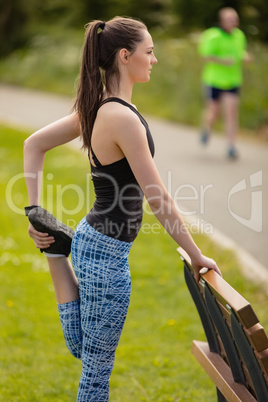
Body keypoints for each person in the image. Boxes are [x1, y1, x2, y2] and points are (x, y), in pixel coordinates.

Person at [24, 16, 221, 401]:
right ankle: (56, 252)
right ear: (125, 56)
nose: (154, 59)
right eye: (149, 52)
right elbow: (158, 197)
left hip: (92, 241)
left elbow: (33, 144)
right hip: (106, 254)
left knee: (88, 354)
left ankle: (56, 252)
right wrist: (196, 254)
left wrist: (35, 209)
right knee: (95, 373)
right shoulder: (120, 118)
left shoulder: (97, 108)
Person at [199, 7, 252, 159]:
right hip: (214, 80)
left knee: (231, 113)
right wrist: (223, 61)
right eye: (230, 20)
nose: (234, 22)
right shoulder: (212, 35)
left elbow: (240, 52)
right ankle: (207, 128)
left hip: (233, 80)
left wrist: (246, 57)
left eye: (235, 19)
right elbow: (205, 56)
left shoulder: (239, 35)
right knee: (214, 112)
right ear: (222, 21)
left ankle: (231, 146)